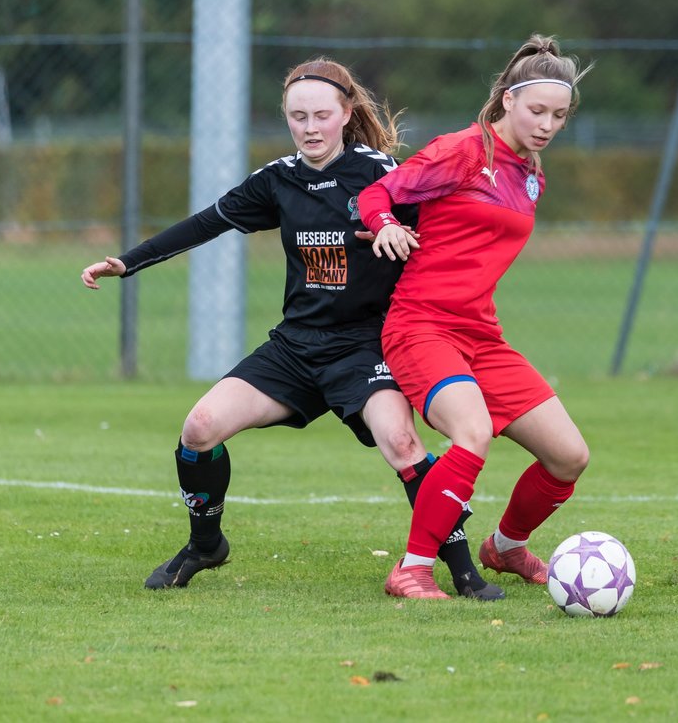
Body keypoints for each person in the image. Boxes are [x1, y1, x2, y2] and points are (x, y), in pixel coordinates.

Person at [81, 58, 501, 599]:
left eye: (321, 115)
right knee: (200, 427)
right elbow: (206, 222)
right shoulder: (279, 180)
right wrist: (127, 262)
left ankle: (464, 570)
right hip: (296, 348)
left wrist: (399, 236)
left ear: (346, 114)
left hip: (367, 346)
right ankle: (206, 545)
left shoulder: (382, 174)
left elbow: (444, 233)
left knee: (400, 442)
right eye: (297, 116)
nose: (309, 127)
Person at [358, 34, 594, 599]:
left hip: (481, 336)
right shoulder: (463, 150)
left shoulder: (530, 171)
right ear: (507, 99)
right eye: (537, 110)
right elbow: (377, 195)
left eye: (558, 116)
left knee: (569, 456)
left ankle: (506, 548)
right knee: (473, 431)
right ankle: (411, 570)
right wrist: (387, 225)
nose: (546, 124)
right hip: (420, 326)